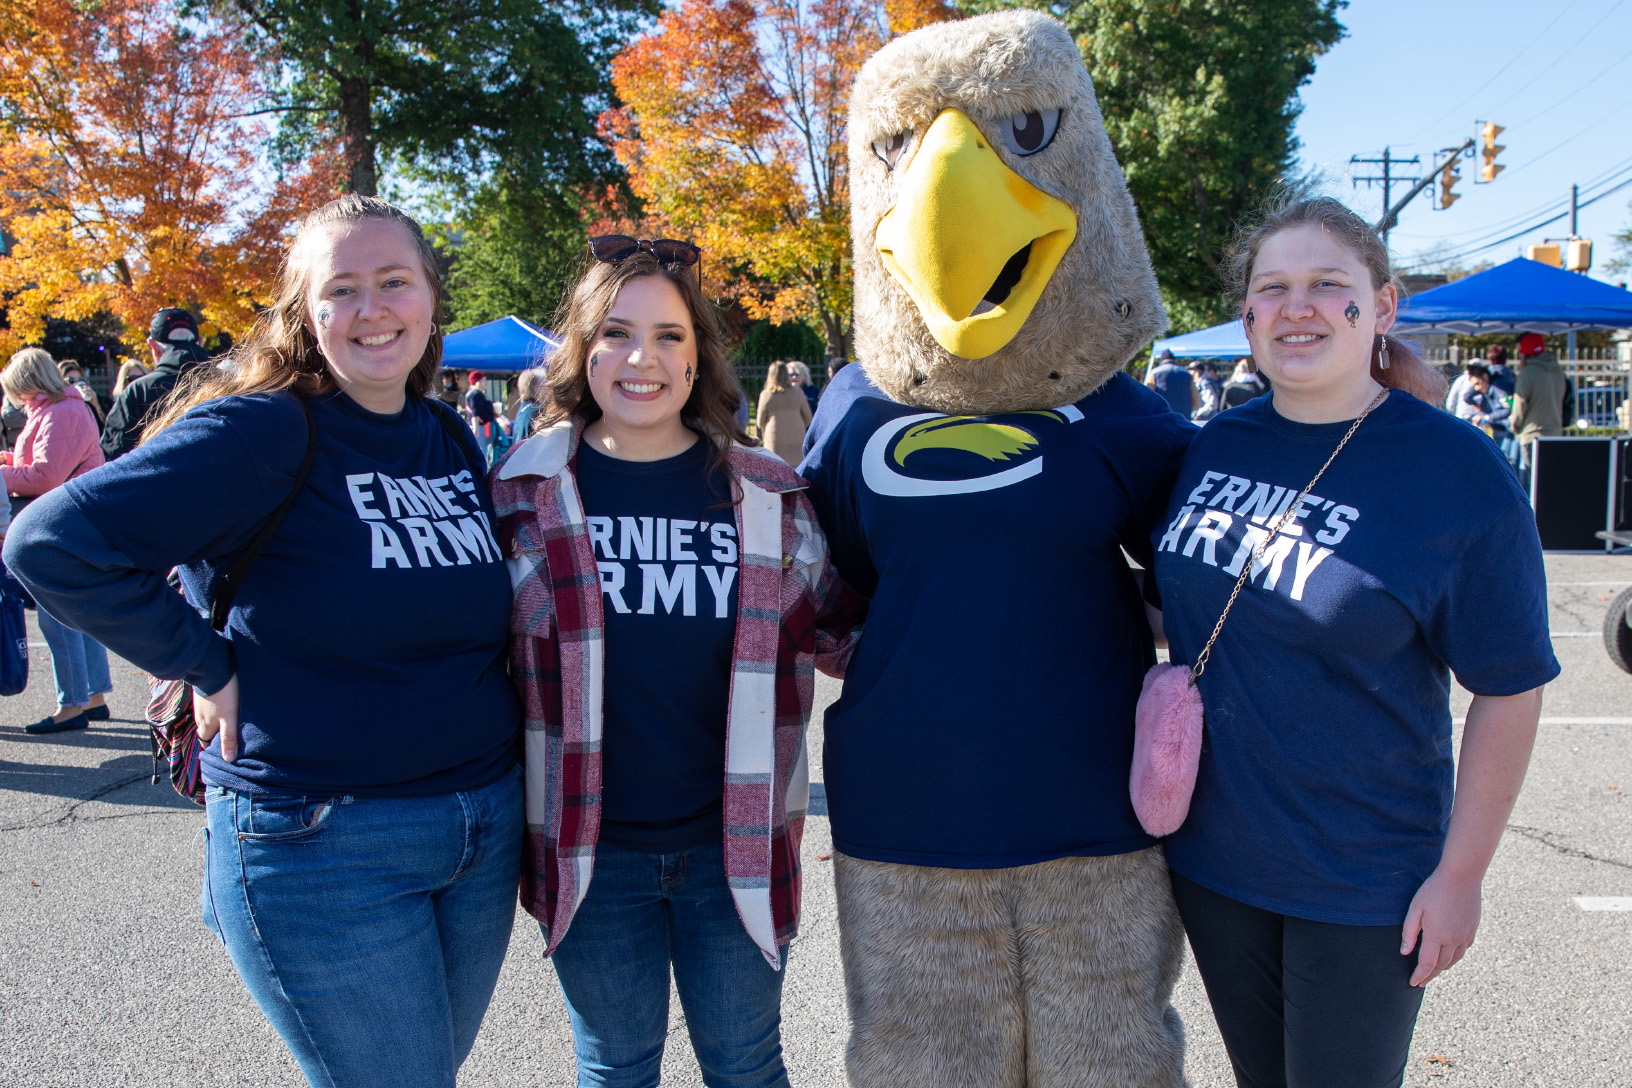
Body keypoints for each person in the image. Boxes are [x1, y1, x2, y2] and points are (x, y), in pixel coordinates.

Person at [4, 195, 522, 1088]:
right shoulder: (263, 428)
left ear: (431, 295)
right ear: (304, 310)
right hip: (321, 840)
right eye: (342, 288)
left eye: (394, 281)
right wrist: (202, 660)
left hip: (478, 831)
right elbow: (50, 545)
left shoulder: (443, 435)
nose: (372, 308)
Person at [1152, 196, 1554, 1088]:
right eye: (1274, 288)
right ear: (1247, 316)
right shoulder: (1211, 446)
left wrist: (1462, 875)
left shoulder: (1454, 472)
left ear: (1381, 306)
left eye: (1326, 285)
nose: (1298, 307)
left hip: (1365, 878)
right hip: (1215, 864)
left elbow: (1511, 686)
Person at [489, 244, 861, 1088]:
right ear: (584, 350)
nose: (642, 358)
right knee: (615, 1069)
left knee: (745, 1067)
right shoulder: (521, 491)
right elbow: (448, 644)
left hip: (736, 851)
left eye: (667, 334)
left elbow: (850, 636)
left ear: (698, 356)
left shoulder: (771, 496)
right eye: (617, 333)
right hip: (590, 853)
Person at [2, 348, 110, 734]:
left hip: (60, 524)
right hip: (72, 522)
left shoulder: (60, 411)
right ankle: (93, 696)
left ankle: (73, 704)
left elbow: (47, 477)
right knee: (78, 616)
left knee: (58, 619)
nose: (19, 400)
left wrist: (3, 474)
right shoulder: (61, 408)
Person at [100, 307, 212, 460]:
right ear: (200, 342)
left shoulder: (139, 390)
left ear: (154, 347)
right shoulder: (231, 381)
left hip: (154, 480)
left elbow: (113, 456)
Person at [1510, 331, 1567, 492]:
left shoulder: (1528, 373)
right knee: (1550, 484)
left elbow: (1519, 407)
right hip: (1555, 434)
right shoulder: (1558, 372)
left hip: (1532, 435)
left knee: (1533, 484)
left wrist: (1515, 426)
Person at [756, 360, 812, 465]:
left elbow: (760, 422)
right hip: (797, 440)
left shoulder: (766, 395)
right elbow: (808, 418)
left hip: (774, 441)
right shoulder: (798, 392)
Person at [1146, 347, 1199, 417]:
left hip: (1162, 417)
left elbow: (1147, 398)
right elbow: (1196, 400)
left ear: (1161, 360)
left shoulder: (1154, 373)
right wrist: (1187, 410)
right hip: (1183, 419)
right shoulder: (1187, 374)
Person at [464, 369, 500, 464]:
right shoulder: (476, 395)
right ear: (477, 382)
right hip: (480, 428)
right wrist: (476, 429)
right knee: (482, 452)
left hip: (482, 427)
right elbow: (475, 412)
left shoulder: (476, 394)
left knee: (484, 451)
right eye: (484, 380)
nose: (486, 382)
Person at [56, 359, 106, 428]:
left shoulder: (92, 403)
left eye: (80, 379)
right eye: (71, 380)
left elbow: (108, 427)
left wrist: (96, 405)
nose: (77, 383)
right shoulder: (58, 406)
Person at [510, 366, 543, 440]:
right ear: (536, 389)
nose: (548, 390)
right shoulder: (535, 411)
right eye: (544, 386)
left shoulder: (523, 409)